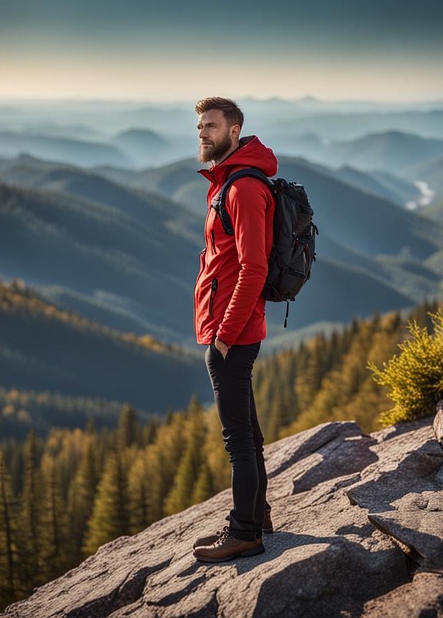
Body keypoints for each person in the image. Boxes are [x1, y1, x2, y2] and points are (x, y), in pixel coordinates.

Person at [192, 96, 276, 563]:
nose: (203, 133)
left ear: (235, 130)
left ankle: (244, 532)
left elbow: (254, 268)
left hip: (233, 333)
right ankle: (258, 512)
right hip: (232, 327)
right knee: (249, 431)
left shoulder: (242, 189)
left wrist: (223, 335)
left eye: (211, 126)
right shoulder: (229, 181)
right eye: (200, 126)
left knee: (237, 439)